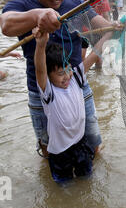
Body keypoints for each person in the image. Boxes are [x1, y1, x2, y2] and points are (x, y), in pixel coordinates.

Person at [0, 0, 126, 159]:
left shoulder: (75, 3)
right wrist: (37, 15)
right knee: (48, 145)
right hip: (42, 89)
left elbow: (104, 26)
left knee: (93, 140)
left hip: (77, 83)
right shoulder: (22, 5)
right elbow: (6, 25)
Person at [33, 28, 94, 183]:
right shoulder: (48, 91)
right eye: (60, 74)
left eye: (68, 70)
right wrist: (40, 45)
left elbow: (95, 54)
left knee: (87, 178)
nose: (66, 77)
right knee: (64, 185)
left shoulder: (76, 78)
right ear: (49, 75)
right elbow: (40, 69)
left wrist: (111, 34)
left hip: (80, 143)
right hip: (60, 152)